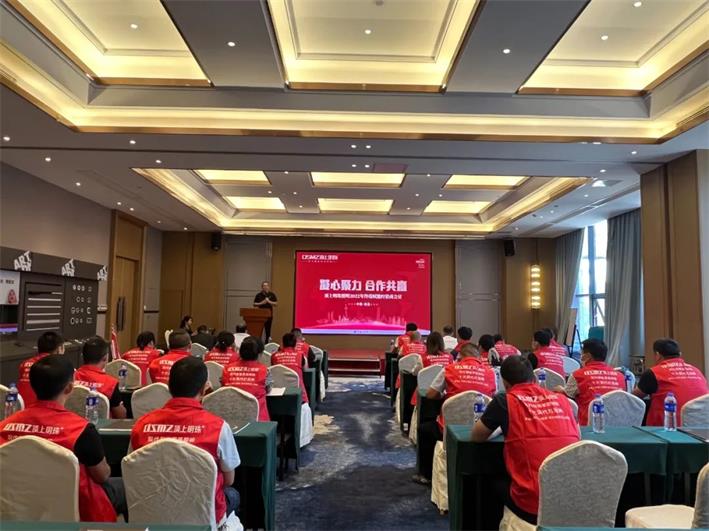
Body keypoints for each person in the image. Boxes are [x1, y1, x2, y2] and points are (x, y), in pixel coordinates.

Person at [0, 355, 126, 521]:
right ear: (69, 388)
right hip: (77, 507)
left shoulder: (4, 427)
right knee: (128, 485)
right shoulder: (82, 430)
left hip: (17, 507)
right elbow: (102, 476)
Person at [130, 357, 240, 525]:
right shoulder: (218, 427)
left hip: (152, 515)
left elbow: (134, 471)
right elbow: (229, 480)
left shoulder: (141, 425)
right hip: (203, 517)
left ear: (168, 387)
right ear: (204, 389)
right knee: (233, 495)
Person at [472, 356, 580, 526]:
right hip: (572, 497)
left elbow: (477, 436)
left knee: (485, 480)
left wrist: (500, 428)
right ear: (534, 378)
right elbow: (578, 438)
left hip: (533, 503)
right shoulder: (562, 400)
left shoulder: (504, 401)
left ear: (505, 383)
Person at [414, 343, 497, 484]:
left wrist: (445, 395)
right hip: (482, 430)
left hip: (448, 430)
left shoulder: (449, 369)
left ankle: (426, 475)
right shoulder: (491, 373)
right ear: (478, 357)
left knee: (424, 430)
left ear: (460, 356)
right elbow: (493, 398)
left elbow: (430, 394)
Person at [633, 338, 708, 427]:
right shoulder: (696, 371)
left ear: (657, 355)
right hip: (701, 429)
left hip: (667, 429)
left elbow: (632, 398)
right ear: (680, 354)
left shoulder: (654, 372)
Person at [556, 338, 624, 426]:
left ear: (588, 356)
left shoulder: (578, 375)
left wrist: (560, 391)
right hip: (617, 426)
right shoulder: (620, 376)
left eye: (581, 353)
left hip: (588, 427)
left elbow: (568, 399)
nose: (580, 356)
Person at [74, 336, 127, 419]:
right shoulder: (111, 383)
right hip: (100, 426)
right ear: (105, 358)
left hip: (72, 425)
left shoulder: (69, 378)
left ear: (82, 357)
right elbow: (121, 416)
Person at [222, 336, 271, 421]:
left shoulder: (227, 369)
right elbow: (268, 389)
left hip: (231, 417)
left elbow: (223, 388)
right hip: (257, 419)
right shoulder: (265, 371)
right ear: (259, 354)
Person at [17, 331, 65, 406]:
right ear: (59, 349)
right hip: (41, 409)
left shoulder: (24, 364)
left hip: (20, 408)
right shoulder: (60, 367)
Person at [271, 332, 308, 404]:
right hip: (299, 398)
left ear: (282, 344)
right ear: (295, 344)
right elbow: (305, 370)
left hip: (276, 397)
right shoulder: (301, 356)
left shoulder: (274, 356)